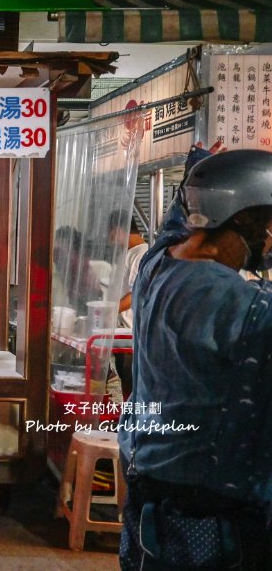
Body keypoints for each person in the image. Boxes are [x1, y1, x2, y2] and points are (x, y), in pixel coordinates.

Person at [118, 147, 272, 570]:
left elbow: (174, 226)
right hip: (213, 513)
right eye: (268, 223)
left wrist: (198, 168)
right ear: (242, 217)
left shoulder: (156, 268)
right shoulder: (243, 306)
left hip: (149, 490)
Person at [106, 210, 148, 329]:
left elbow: (135, 293)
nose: (109, 238)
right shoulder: (127, 253)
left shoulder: (141, 253)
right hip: (119, 325)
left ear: (118, 230)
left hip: (129, 329)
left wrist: (108, 311)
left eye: (110, 233)